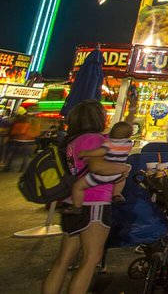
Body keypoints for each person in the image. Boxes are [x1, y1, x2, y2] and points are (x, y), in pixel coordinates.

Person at [42, 101, 120, 294]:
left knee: (63, 260)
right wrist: (123, 169)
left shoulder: (70, 141)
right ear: (98, 118)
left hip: (72, 202)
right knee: (90, 259)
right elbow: (97, 167)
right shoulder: (93, 140)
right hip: (93, 202)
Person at [67, 121, 133, 210]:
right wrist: (125, 168)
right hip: (117, 175)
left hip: (100, 179)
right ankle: (116, 194)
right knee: (121, 180)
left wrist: (85, 153)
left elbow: (101, 154)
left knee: (78, 187)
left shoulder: (107, 142)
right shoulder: (128, 143)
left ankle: (77, 207)